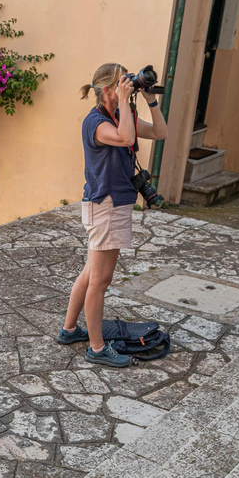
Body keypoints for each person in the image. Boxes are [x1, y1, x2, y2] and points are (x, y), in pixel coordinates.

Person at [57, 63, 168, 367]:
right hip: (105, 206)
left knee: (90, 273)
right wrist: (124, 103)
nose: (127, 85)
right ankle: (96, 348)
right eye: (121, 83)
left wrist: (150, 100)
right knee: (100, 280)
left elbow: (160, 132)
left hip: (111, 205)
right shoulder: (95, 123)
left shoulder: (122, 116)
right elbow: (125, 139)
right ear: (107, 90)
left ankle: (69, 331)